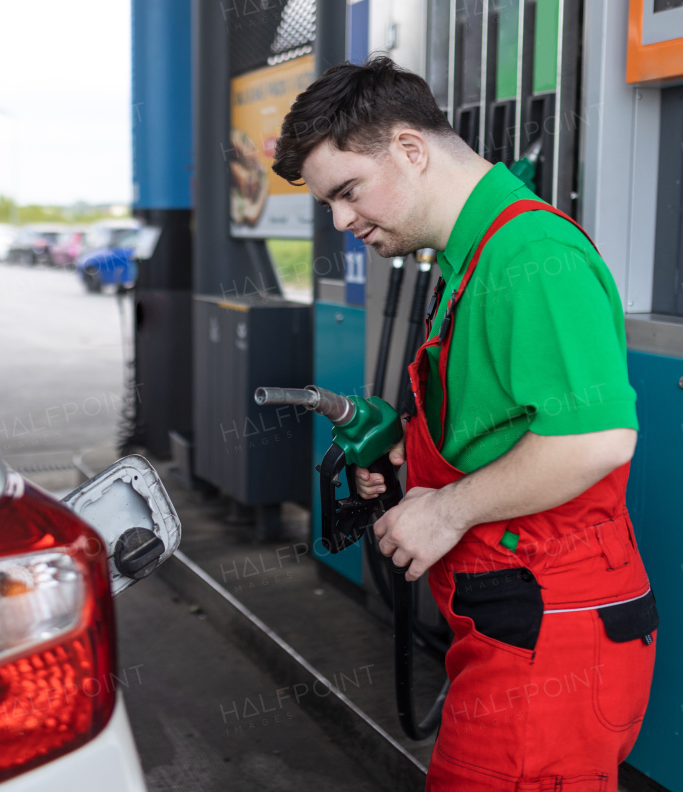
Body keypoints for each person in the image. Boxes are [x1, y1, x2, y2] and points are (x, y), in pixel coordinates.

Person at [272, 56, 658, 791]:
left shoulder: (533, 256)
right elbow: (502, 427)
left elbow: (595, 438)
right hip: (512, 621)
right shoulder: (470, 257)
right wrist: (407, 466)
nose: (342, 220)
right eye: (329, 204)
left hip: (550, 639)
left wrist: (446, 509)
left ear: (412, 150)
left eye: (348, 192)